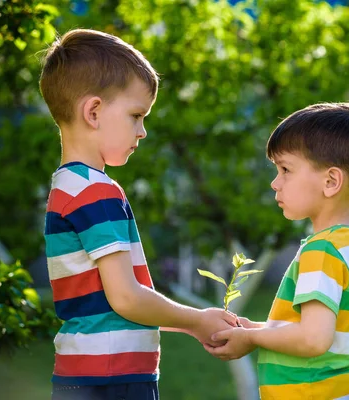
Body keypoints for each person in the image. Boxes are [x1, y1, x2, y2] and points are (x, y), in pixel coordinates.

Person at [40, 29, 237, 400]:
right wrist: (196, 322)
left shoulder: (65, 187)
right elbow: (127, 298)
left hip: (81, 375)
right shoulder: (95, 190)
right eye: (136, 115)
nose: (142, 131)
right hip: (114, 379)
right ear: (94, 111)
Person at [204, 102, 349, 400]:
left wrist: (251, 337)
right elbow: (312, 330)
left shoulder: (322, 250)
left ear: (330, 182)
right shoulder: (344, 243)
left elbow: (313, 339)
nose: (275, 183)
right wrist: (264, 329)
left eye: (286, 169)